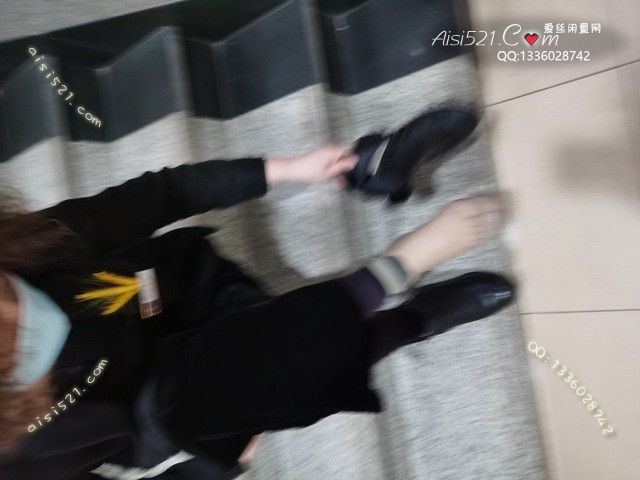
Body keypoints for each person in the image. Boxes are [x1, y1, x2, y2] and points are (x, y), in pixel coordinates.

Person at [0, 106, 513, 480]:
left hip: (192, 288)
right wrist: (215, 467)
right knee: (244, 381)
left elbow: (160, 194)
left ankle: (366, 172)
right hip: (178, 401)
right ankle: (407, 303)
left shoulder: (18, 247)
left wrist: (288, 169)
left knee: (262, 360)